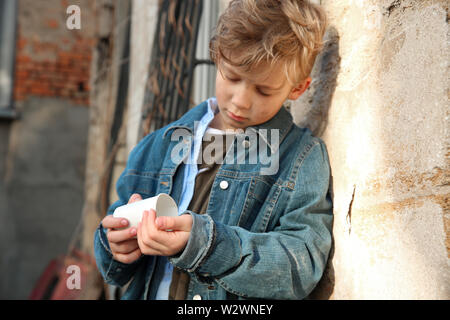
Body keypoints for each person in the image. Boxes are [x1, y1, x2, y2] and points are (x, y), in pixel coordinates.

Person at [94, 0, 333, 300]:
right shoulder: (160, 145)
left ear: (297, 89)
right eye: (232, 77)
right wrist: (113, 244)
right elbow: (113, 238)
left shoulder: (301, 158)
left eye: (263, 90)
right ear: (217, 57)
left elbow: (302, 264)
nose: (241, 101)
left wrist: (206, 245)